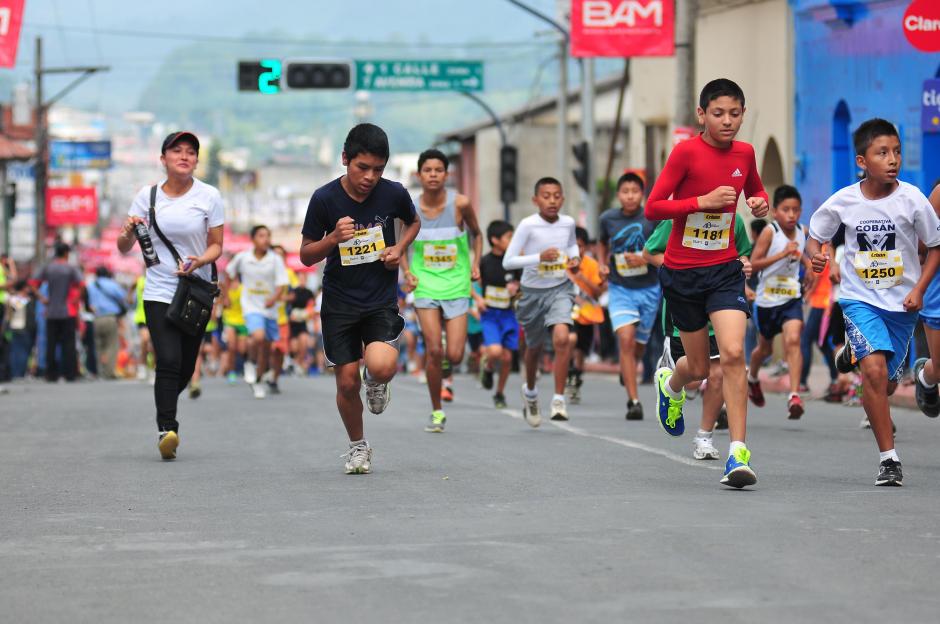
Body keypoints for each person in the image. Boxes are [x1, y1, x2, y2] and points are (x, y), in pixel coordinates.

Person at [645, 79, 769, 488]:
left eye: (735, 113)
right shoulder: (685, 153)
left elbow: (754, 189)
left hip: (724, 269)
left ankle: (737, 452)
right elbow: (654, 207)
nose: (728, 121)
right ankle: (672, 382)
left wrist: (759, 202)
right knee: (698, 368)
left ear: (743, 114)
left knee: (733, 353)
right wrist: (700, 202)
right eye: (719, 113)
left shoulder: (746, 153)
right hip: (683, 273)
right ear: (702, 115)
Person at [807, 118, 940, 486]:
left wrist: (919, 290)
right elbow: (815, 237)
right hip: (859, 300)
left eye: (897, 151)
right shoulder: (844, 201)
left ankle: (854, 352)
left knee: (888, 383)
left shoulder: (912, 198)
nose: (893, 159)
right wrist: (816, 258)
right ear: (862, 161)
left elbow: (935, 248)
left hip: (902, 307)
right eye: (883, 153)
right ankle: (889, 459)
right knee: (875, 373)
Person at [299, 123, 420, 474]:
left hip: (379, 297)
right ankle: (358, 447)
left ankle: (376, 382)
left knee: (381, 365)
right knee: (346, 380)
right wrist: (333, 238)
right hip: (339, 301)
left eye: (377, 169)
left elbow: (412, 223)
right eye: (362, 167)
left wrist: (399, 247)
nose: (369, 177)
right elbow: (306, 254)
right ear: (345, 159)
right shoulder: (324, 199)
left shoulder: (393, 193)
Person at [117, 131, 224, 460]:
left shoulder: (209, 196)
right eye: (176, 150)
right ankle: (167, 428)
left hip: (195, 290)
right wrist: (127, 233)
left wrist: (200, 261)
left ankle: (165, 401)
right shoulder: (146, 198)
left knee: (186, 366)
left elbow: (217, 245)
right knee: (168, 359)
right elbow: (124, 249)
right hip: (159, 289)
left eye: (191, 151)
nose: (184, 156)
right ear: (163, 159)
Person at [643, 214, 754, 460]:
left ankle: (705, 436)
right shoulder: (676, 218)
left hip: (720, 301)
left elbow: (743, 254)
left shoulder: (733, 219)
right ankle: (671, 385)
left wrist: (744, 264)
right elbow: (649, 252)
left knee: (718, 373)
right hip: (685, 297)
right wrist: (680, 267)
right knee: (696, 375)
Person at [402, 149, 482, 433]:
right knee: (434, 350)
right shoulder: (409, 207)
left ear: (447, 175)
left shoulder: (460, 203)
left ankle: (448, 365)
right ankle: (437, 411)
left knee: (455, 355)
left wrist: (475, 264)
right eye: (428, 170)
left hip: (457, 284)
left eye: (439, 170)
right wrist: (407, 272)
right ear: (419, 175)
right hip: (425, 284)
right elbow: (402, 244)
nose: (433, 174)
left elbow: (477, 233)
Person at [504, 177, 580, 426]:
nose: (552, 201)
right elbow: (509, 261)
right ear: (535, 200)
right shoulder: (528, 225)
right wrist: (539, 257)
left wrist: (575, 258)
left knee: (561, 337)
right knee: (534, 348)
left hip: (560, 288)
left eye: (557, 196)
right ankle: (531, 392)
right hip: (532, 292)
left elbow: (571, 245)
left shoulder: (568, 223)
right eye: (546, 196)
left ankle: (558, 399)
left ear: (563, 199)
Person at [746, 185, 813, 419]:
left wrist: (808, 267)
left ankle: (794, 395)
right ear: (775, 212)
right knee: (763, 349)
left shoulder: (803, 231)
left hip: (791, 298)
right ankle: (752, 378)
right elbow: (753, 265)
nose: (791, 215)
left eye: (795, 209)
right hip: (766, 301)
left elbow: (801, 253)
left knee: (793, 339)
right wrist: (783, 254)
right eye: (786, 210)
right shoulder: (770, 232)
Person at [597, 172, 659, 420]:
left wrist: (644, 258)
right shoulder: (607, 219)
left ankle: (629, 367)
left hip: (650, 288)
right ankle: (633, 401)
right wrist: (603, 264)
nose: (630, 196)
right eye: (625, 191)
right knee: (626, 339)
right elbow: (602, 243)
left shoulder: (652, 218)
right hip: (620, 288)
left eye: (635, 191)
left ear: (641, 194)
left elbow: (662, 247)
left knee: (639, 347)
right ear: (618, 195)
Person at [226, 225, 289, 400]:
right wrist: (226, 295)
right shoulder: (243, 258)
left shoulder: (275, 259)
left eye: (268, 236)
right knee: (258, 336)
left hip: (270, 310)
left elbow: (282, 284)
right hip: (251, 307)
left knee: (267, 350)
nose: (266, 239)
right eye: (261, 236)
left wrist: (274, 298)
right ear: (253, 239)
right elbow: (228, 273)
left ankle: (259, 381)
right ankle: (249, 362)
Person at [476, 220, 521, 409]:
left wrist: (516, 288)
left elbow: (522, 286)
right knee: (495, 351)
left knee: (508, 358)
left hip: (509, 315)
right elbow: (469, 283)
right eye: (509, 237)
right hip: (490, 315)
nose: (513, 240)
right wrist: (478, 299)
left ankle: (500, 393)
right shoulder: (484, 262)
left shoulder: (515, 263)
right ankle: (487, 368)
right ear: (495, 240)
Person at [34, 242, 84, 383]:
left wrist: (42, 298)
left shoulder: (48, 268)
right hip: (67, 311)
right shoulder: (70, 268)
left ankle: (50, 374)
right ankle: (69, 374)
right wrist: (75, 299)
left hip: (51, 311)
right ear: (67, 253)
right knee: (68, 344)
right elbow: (82, 285)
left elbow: (32, 283)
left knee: (51, 344)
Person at [567, 226, 606, 404]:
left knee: (581, 350)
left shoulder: (592, 265)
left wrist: (581, 277)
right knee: (571, 339)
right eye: (573, 246)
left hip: (587, 315)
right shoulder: (562, 263)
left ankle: (576, 376)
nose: (577, 250)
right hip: (567, 313)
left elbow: (599, 292)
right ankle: (568, 369)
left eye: (580, 246)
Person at [913, 182, 940, 417]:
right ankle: (926, 376)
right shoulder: (939, 193)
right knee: (939, 369)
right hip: (937, 294)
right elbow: (923, 241)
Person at [85, 266, 128, 380]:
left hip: (96, 318)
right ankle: (109, 372)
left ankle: (99, 371)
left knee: (98, 345)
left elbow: (87, 301)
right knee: (111, 345)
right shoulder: (111, 284)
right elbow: (123, 296)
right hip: (110, 318)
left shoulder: (90, 286)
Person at [220, 274, 248, 384]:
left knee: (242, 350)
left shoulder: (243, 288)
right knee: (231, 347)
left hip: (242, 321)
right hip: (229, 320)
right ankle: (231, 372)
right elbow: (222, 304)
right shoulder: (225, 288)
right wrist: (224, 296)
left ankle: (247, 367)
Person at [287, 273, 316, 375]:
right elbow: (288, 305)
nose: (302, 280)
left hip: (303, 321)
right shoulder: (293, 291)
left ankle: (299, 364)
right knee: (294, 347)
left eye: (304, 279)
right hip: (294, 321)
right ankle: (294, 362)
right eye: (301, 279)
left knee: (303, 343)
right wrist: (290, 315)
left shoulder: (309, 292)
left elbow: (312, 306)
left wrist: (309, 314)